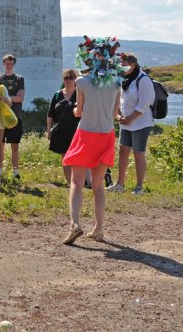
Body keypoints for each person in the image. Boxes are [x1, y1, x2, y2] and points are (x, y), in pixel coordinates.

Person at [62, 36, 122, 244]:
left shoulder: (82, 82)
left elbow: (79, 111)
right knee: (98, 186)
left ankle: (75, 224)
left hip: (86, 134)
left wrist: (77, 110)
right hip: (106, 135)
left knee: (77, 182)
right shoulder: (116, 83)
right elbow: (115, 114)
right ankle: (99, 229)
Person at [108, 52, 155, 195]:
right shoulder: (125, 79)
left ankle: (139, 187)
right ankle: (119, 184)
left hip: (140, 122)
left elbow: (144, 104)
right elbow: (121, 100)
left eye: (123, 65)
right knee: (123, 150)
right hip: (125, 121)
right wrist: (119, 114)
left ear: (132, 64)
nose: (121, 68)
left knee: (138, 153)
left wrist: (130, 118)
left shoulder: (144, 79)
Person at [47, 69, 81, 185]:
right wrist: (49, 130)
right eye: (66, 77)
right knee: (64, 156)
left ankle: (79, 181)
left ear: (75, 79)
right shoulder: (57, 95)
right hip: (60, 130)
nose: (68, 80)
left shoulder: (80, 94)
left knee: (77, 156)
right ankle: (69, 182)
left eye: (71, 77)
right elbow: (50, 114)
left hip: (76, 130)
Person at [0, 54, 25, 179]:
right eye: (7, 63)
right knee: (0, 145)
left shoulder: (19, 79)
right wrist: (8, 99)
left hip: (15, 116)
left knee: (14, 145)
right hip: (1, 117)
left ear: (14, 64)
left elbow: (20, 98)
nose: (9, 66)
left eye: (11, 64)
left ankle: (15, 172)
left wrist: (5, 98)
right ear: (3, 64)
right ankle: (0, 170)